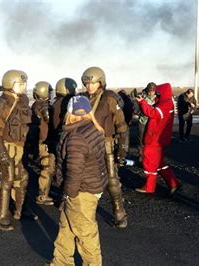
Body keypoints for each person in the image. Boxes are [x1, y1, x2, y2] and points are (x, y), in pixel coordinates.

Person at [50, 96, 107, 266]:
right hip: (91, 185)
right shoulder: (93, 128)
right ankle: (61, 262)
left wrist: (70, 194)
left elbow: (74, 171)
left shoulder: (76, 137)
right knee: (66, 228)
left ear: (69, 113)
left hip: (81, 191)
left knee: (85, 234)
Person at [81, 66, 128, 228]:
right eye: (86, 83)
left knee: (112, 179)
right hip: (86, 144)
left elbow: (121, 126)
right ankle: (87, 212)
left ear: (101, 82)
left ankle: (119, 212)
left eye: (92, 83)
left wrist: (122, 150)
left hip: (105, 143)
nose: (89, 86)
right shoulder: (82, 99)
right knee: (86, 179)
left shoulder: (109, 99)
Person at [0, 69, 31, 231]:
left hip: (18, 147)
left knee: (23, 177)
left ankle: (20, 210)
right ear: (9, 84)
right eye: (20, 84)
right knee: (7, 179)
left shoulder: (23, 101)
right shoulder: (1, 104)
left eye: (24, 83)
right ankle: (1, 216)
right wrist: (2, 154)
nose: (23, 86)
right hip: (5, 146)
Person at [135, 83, 180, 194]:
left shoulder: (165, 105)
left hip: (155, 138)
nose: (156, 95)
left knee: (149, 161)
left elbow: (152, 113)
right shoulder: (168, 103)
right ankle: (173, 183)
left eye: (158, 93)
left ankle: (149, 187)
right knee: (158, 162)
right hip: (160, 138)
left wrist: (142, 102)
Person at [31, 81, 56, 206]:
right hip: (45, 141)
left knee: (47, 167)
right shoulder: (44, 106)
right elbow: (50, 123)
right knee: (47, 168)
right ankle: (42, 195)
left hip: (40, 140)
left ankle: (45, 192)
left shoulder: (36, 105)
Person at [136, 83, 157, 163]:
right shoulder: (141, 96)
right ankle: (141, 155)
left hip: (153, 122)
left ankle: (150, 155)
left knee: (151, 139)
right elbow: (135, 107)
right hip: (143, 120)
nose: (151, 93)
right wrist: (141, 113)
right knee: (141, 138)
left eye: (153, 91)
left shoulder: (158, 98)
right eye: (150, 91)